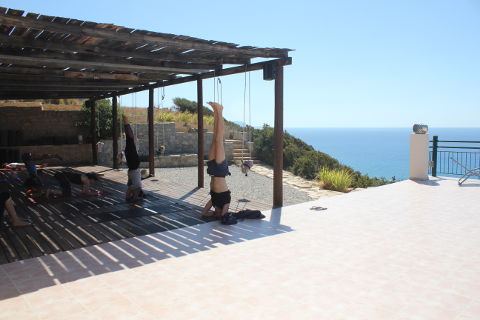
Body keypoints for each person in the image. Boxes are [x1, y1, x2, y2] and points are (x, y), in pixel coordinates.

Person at [201, 102, 237, 225]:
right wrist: (220, 214)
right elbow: (223, 214)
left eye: (214, 213)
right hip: (221, 172)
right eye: (217, 213)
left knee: (214, 138)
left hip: (212, 171)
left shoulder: (214, 202)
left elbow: (204, 212)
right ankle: (220, 110)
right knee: (218, 140)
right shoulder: (226, 202)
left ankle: (215, 111)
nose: (215, 212)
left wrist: (211, 213)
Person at [122, 115, 145, 202]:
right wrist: (126, 123)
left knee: (130, 139)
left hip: (133, 170)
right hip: (133, 170)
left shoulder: (129, 149)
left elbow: (130, 136)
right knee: (136, 186)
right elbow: (130, 136)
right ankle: (133, 197)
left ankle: (130, 197)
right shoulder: (130, 149)